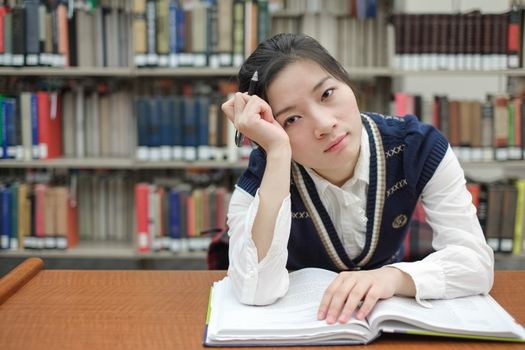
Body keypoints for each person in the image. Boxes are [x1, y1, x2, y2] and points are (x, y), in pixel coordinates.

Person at [221, 33, 494, 325]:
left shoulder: (417, 146)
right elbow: (254, 289)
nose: (325, 125)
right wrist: (276, 152)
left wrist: (394, 277)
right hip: (307, 330)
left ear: (346, 80)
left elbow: (476, 263)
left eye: (327, 94)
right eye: (292, 119)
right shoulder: (266, 170)